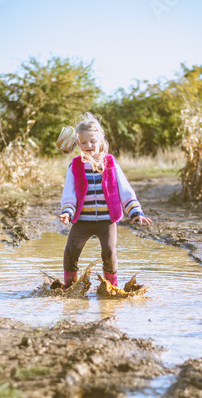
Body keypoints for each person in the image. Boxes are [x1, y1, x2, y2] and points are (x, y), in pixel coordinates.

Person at [56, 112, 152, 289]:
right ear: (78, 143)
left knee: (109, 252)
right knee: (70, 252)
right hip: (82, 222)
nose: (89, 145)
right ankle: (69, 286)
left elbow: (125, 191)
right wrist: (67, 213)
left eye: (92, 141)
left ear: (100, 139)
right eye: (83, 142)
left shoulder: (111, 164)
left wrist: (136, 211)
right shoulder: (75, 166)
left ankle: (111, 287)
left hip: (106, 221)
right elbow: (69, 195)